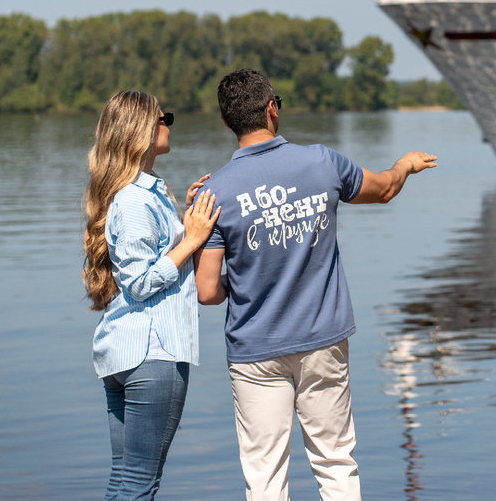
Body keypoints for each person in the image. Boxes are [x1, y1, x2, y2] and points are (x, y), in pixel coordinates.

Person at [195, 68, 436, 501]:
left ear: (227, 122)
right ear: (271, 109)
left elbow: (208, 291)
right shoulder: (322, 162)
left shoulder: (212, 193)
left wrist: (249, 277)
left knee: (265, 475)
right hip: (323, 340)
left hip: (255, 351)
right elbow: (383, 190)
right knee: (336, 462)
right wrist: (404, 165)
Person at [83, 90, 220, 501]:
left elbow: (146, 255)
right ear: (142, 130)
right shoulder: (135, 201)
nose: (169, 123)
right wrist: (193, 239)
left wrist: (184, 220)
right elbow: (140, 282)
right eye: (165, 118)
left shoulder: (139, 195)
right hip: (153, 354)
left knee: (123, 479)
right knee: (141, 485)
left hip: (124, 352)